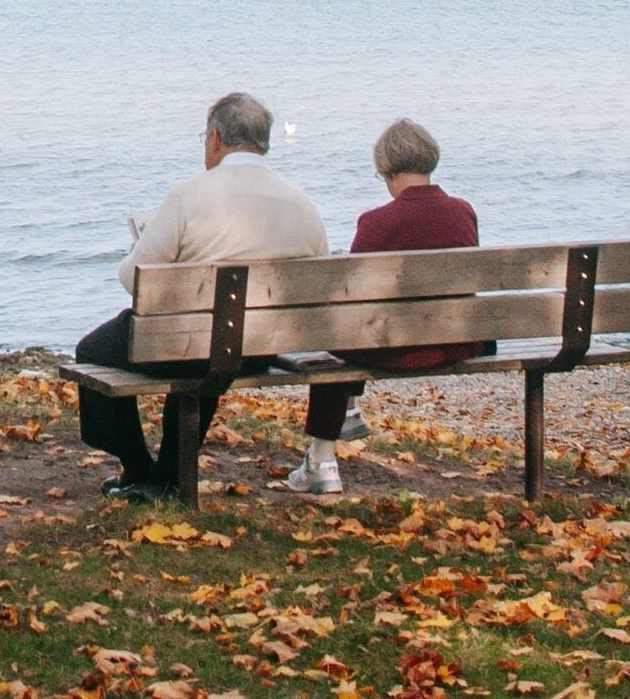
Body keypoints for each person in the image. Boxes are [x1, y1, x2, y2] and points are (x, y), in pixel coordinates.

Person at [72, 92, 326, 499]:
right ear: (265, 142)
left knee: (94, 350)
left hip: (187, 342)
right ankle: (167, 476)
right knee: (207, 351)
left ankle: (139, 467)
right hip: (261, 347)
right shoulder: (303, 204)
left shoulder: (188, 196)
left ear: (214, 139)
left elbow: (132, 279)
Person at [286, 117, 480, 498]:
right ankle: (349, 413)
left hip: (395, 349)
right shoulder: (463, 211)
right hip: (455, 341)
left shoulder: (376, 221)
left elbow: (353, 296)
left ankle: (322, 460)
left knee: (331, 332)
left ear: (387, 170)